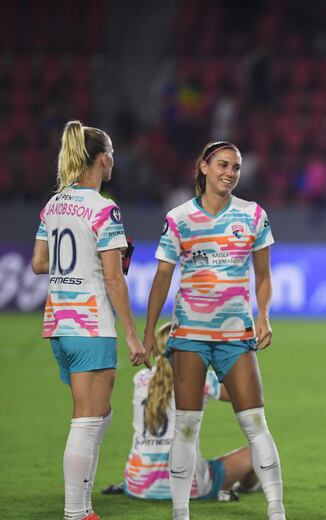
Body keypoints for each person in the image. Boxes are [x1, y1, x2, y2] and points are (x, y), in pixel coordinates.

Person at [142, 141, 284, 520]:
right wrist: (147, 331)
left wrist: (264, 315)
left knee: (255, 423)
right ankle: (180, 512)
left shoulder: (253, 215)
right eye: (222, 165)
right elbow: (161, 278)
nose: (229, 173)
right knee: (186, 427)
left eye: (236, 168)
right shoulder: (179, 218)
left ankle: (277, 511)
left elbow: (265, 276)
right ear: (203, 167)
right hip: (189, 336)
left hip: (237, 336)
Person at [31, 120, 148, 520]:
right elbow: (114, 278)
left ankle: (83, 507)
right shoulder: (104, 208)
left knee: (97, 414)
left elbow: (38, 263)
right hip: (91, 325)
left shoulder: (54, 204)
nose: (113, 158)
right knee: (86, 420)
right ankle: (75, 513)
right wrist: (132, 336)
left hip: (60, 325)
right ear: (101, 159)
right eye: (111, 151)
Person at [102, 322, 260, 501]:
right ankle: (246, 486)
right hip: (189, 486)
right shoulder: (202, 380)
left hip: (138, 484)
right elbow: (240, 393)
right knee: (256, 452)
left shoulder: (140, 380)